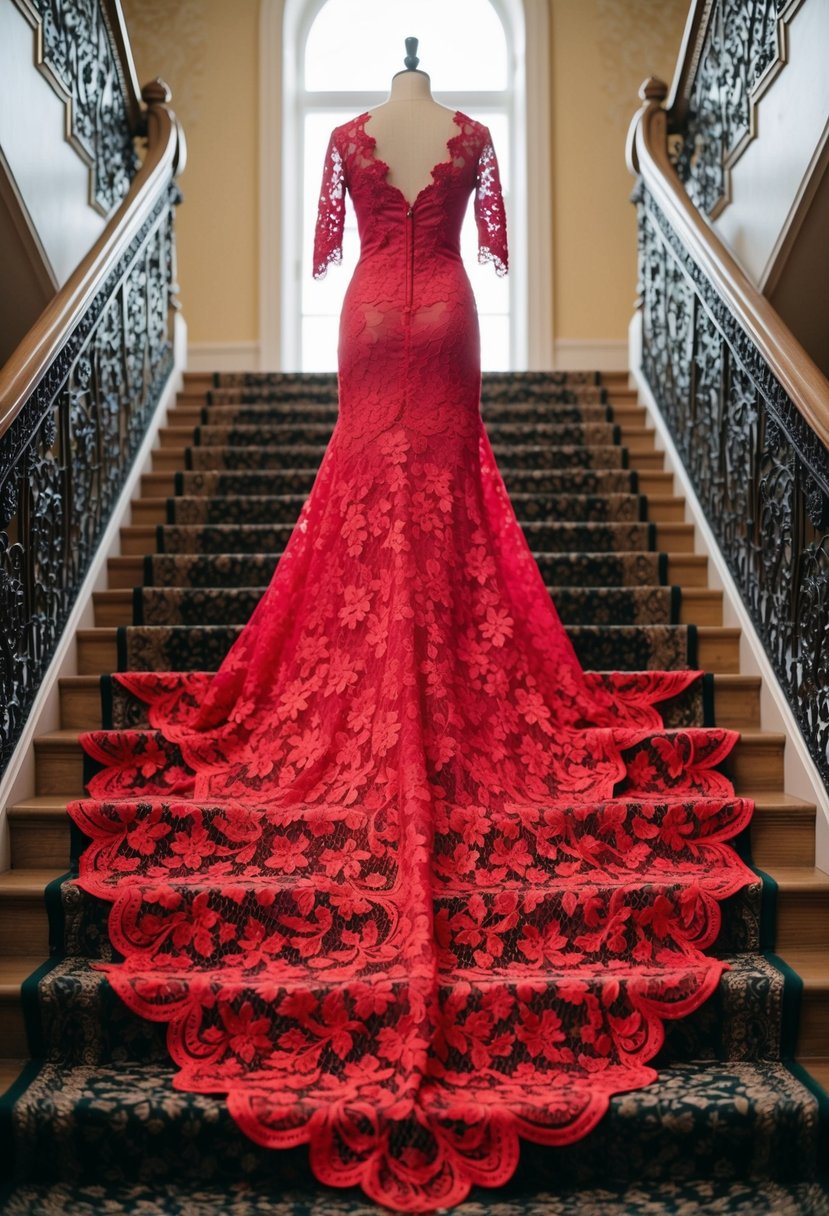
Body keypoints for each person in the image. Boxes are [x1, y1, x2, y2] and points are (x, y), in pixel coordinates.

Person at [71, 51, 755, 1213]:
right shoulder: (472, 137)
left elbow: (339, 241)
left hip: (371, 321)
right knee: (443, 502)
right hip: (442, 318)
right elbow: (481, 237)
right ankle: (444, 666)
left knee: (361, 486)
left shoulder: (344, 140)